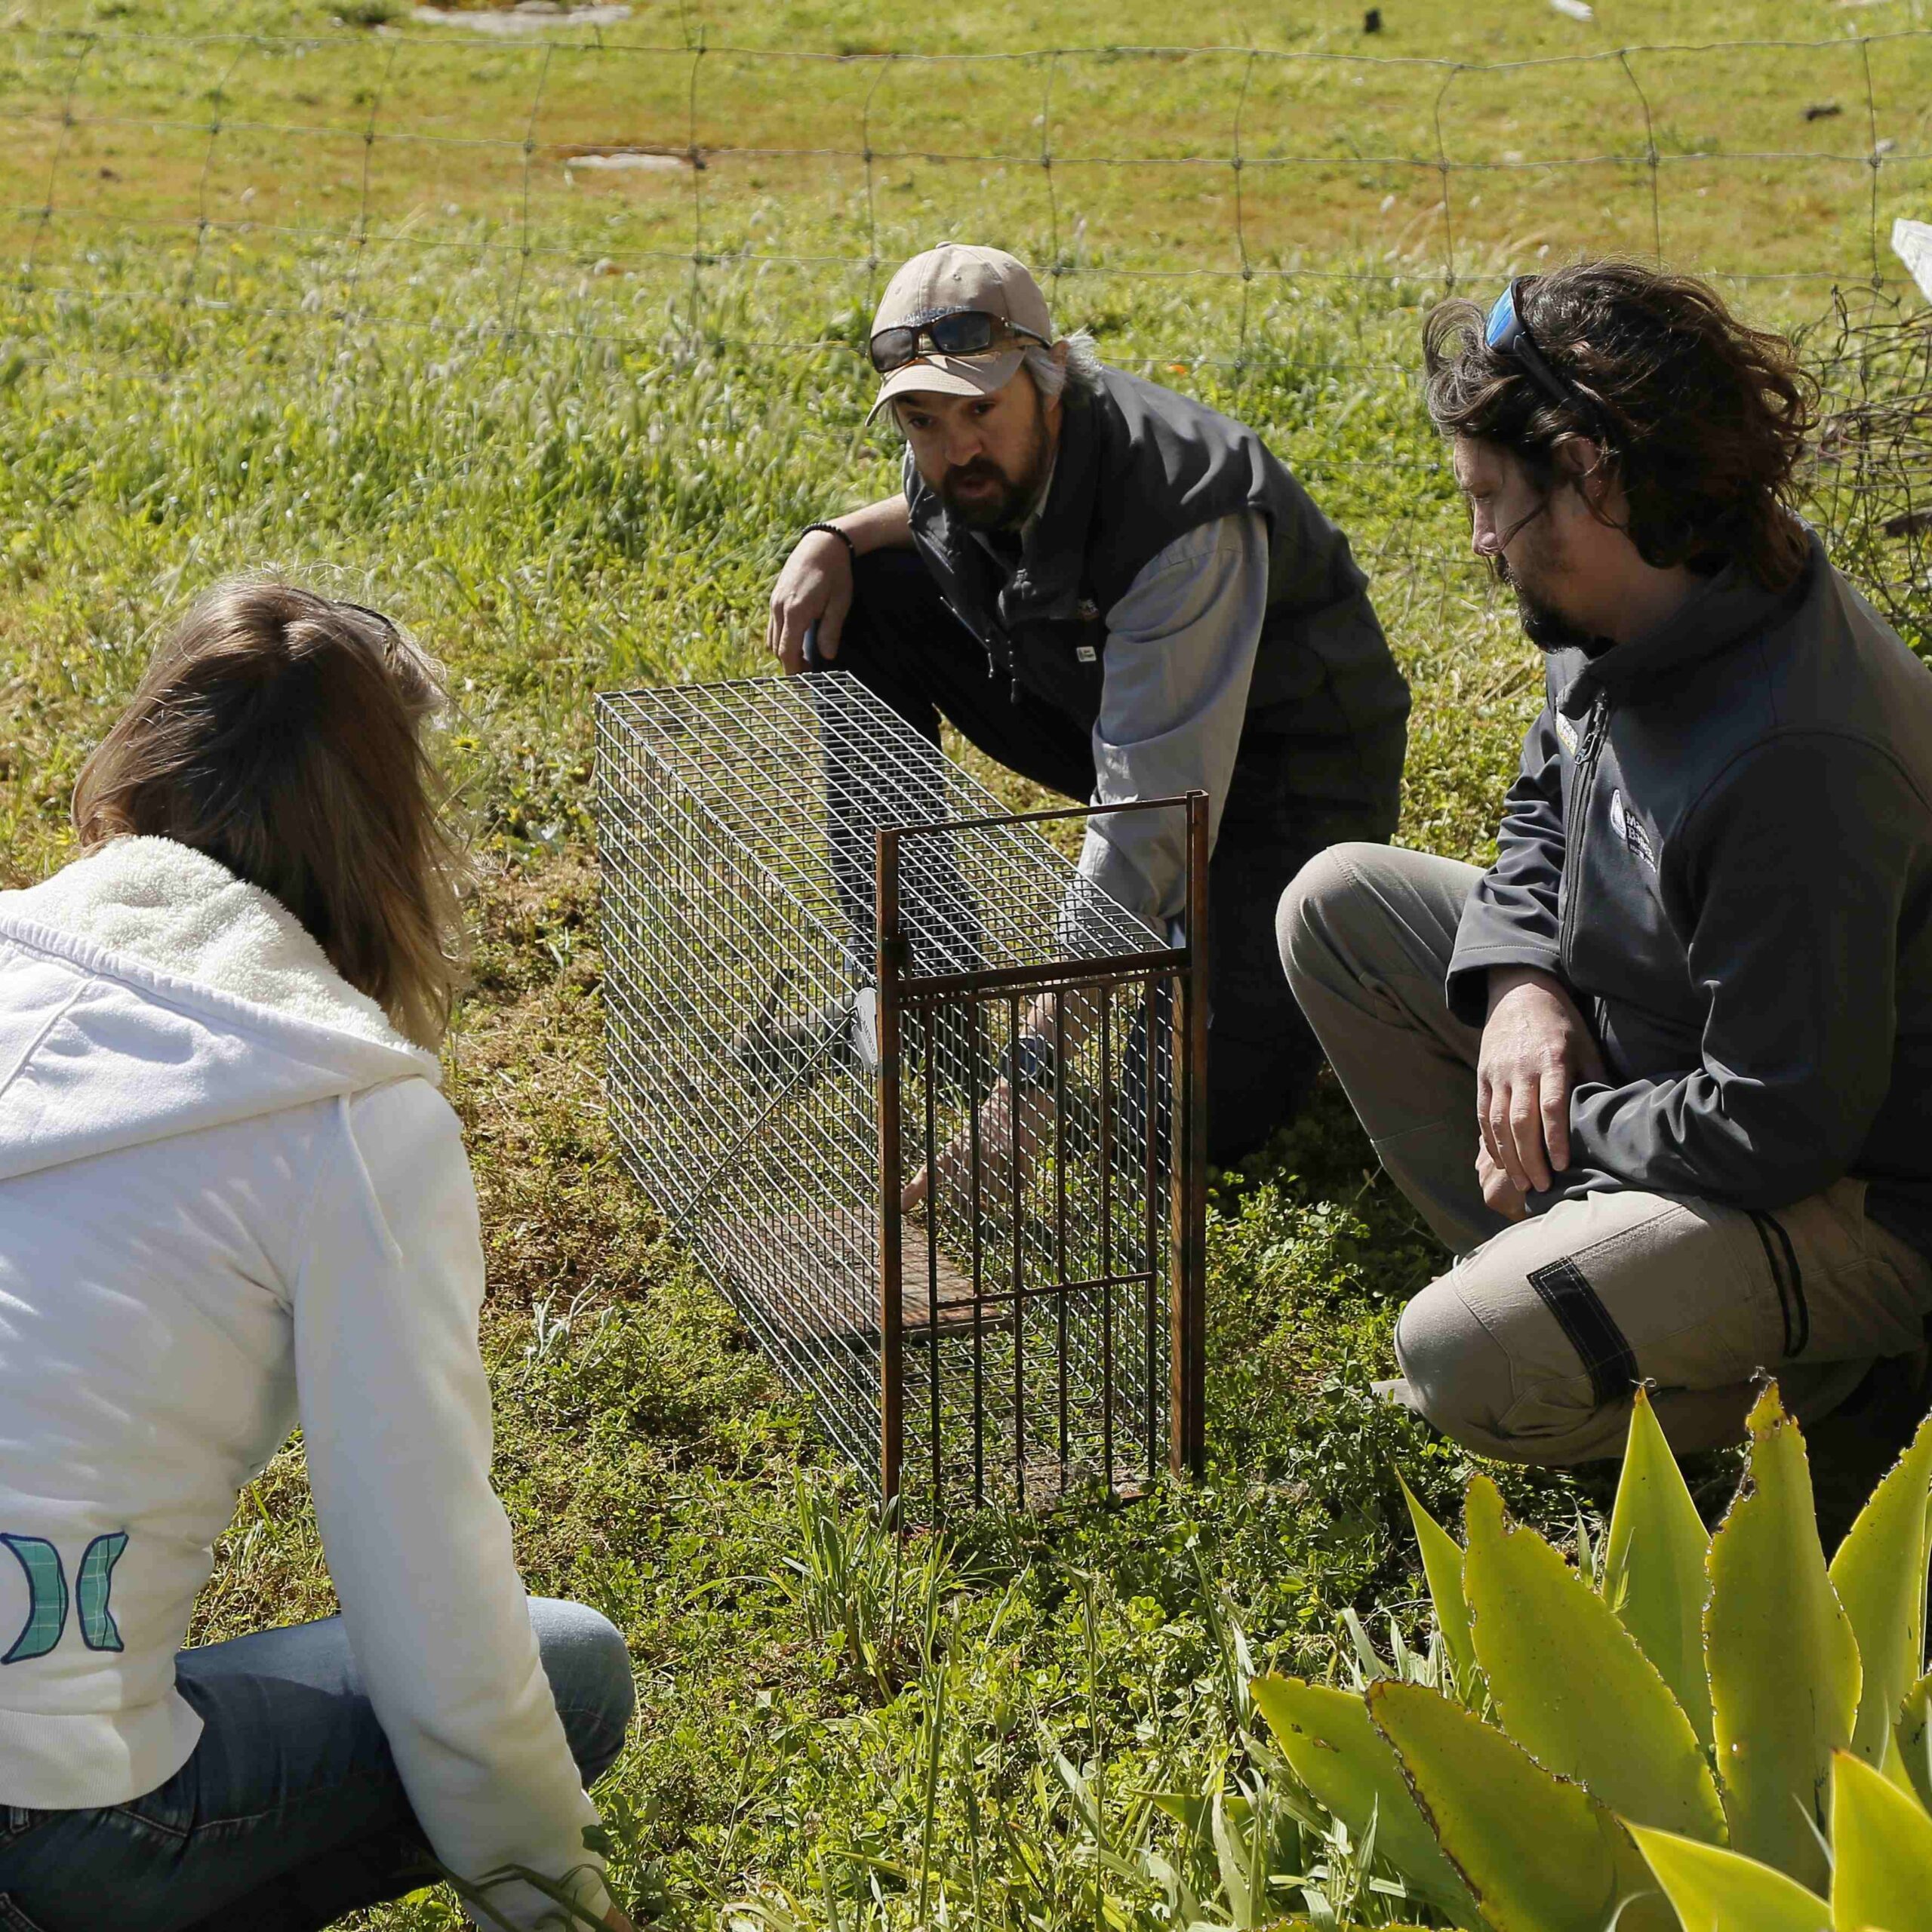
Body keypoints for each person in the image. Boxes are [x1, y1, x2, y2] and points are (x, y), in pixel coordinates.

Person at [0, 582, 636, 1931]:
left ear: (135, 762)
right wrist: (551, 1900)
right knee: (567, 1667)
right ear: (388, 832)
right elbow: (431, 1588)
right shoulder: (349, 1119)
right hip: (46, 1826)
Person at [1280, 260, 1932, 1473]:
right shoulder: (1642, 590)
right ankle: (1582, 1276)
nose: (1478, 539)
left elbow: (1779, 1124)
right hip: (1666, 1065)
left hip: (1856, 1191)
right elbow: (1548, 787)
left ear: (1590, 473)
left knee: (1460, 1361)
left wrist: (1568, 1131)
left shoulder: (1804, 759)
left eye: (1490, 499)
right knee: (1336, 906)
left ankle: (1833, 1394)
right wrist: (1523, 985)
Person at [766, 244, 1411, 1168]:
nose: (956, 450)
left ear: (1051, 375)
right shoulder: (969, 459)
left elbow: (1145, 824)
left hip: (1284, 779)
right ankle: (920, 985)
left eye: (981, 409)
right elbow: (936, 507)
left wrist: (1027, 1073)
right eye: (920, 419)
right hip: (1116, 703)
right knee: (863, 600)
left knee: (1177, 1130)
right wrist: (832, 537)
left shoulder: (1184, 517)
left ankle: (1239, 985)